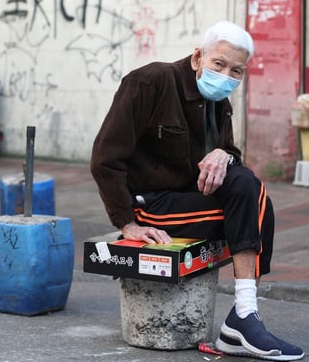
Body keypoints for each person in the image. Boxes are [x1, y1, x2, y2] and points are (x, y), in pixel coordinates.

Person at [90, 20, 304, 361]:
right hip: (152, 205)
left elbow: (230, 156)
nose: (226, 75)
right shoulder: (150, 82)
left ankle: (245, 317)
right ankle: (243, 319)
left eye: (236, 70)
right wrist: (126, 222)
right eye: (218, 64)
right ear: (197, 58)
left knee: (249, 189)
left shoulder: (220, 102)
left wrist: (224, 154)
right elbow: (105, 157)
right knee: (256, 201)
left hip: (189, 200)